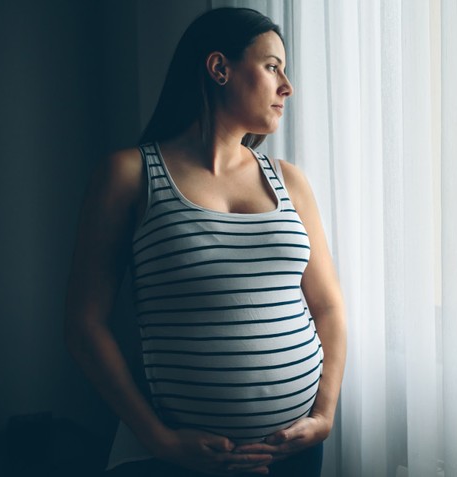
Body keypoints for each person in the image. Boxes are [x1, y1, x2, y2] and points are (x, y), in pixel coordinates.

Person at [63, 8, 346, 476]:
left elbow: (330, 308)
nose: (287, 86)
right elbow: (83, 325)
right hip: (178, 459)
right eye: (273, 66)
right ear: (219, 68)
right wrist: (160, 439)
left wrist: (324, 416)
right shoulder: (130, 175)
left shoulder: (288, 180)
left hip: (293, 452)